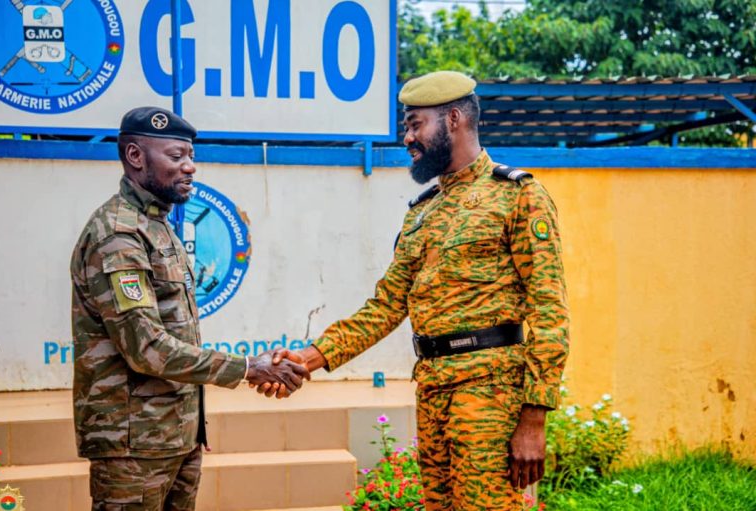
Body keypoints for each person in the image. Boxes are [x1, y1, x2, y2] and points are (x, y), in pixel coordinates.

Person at [259, 71, 570, 510]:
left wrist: (534, 416)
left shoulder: (518, 196)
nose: (407, 137)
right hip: (433, 390)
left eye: (414, 124)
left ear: (455, 119)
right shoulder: (423, 210)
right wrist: (311, 358)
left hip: (490, 393)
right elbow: (386, 306)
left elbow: (550, 311)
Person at [70, 106, 309, 510]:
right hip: (133, 448)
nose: (190, 167)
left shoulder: (157, 225)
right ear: (135, 156)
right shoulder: (117, 234)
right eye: (176, 156)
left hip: (177, 437)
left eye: (191, 157)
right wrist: (250, 367)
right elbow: (146, 347)